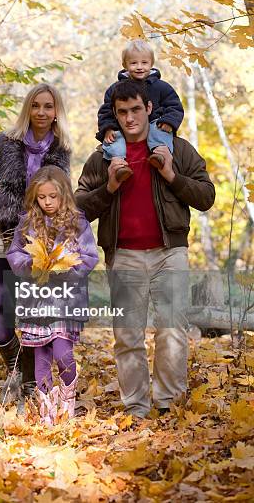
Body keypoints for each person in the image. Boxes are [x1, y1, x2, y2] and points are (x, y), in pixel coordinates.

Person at [75, 80, 215, 419]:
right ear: (115, 115)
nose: (129, 118)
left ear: (149, 108)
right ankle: (136, 408)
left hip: (170, 252)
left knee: (172, 330)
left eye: (136, 109)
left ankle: (167, 405)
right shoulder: (104, 156)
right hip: (123, 255)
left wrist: (170, 175)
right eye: (121, 112)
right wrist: (109, 186)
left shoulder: (177, 149)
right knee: (127, 336)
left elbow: (206, 197)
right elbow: (78, 208)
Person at [0, 83, 71, 410]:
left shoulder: (60, 151)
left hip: (39, 242)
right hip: (3, 236)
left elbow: (63, 200)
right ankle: (18, 367)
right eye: (36, 105)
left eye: (48, 106)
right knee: (0, 324)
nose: (41, 112)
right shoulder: (7, 144)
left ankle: (29, 386)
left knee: (34, 320)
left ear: (55, 111)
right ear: (28, 108)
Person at [7, 166, 98, 425]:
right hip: (35, 299)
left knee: (62, 352)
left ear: (64, 195)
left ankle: (67, 399)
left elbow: (90, 256)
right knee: (41, 356)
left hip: (66, 299)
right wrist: (30, 266)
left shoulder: (78, 223)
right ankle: (47, 409)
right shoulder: (26, 223)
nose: (47, 202)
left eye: (52, 196)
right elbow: (15, 254)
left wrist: (68, 270)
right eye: (42, 197)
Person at [96, 39, 184, 181]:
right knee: (114, 141)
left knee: (159, 133)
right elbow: (106, 111)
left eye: (144, 63)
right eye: (133, 63)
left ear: (151, 63)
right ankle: (119, 167)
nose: (139, 67)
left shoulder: (161, 87)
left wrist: (168, 121)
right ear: (124, 65)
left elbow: (174, 106)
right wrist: (107, 129)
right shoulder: (115, 89)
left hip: (157, 124)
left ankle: (160, 157)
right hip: (125, 130)